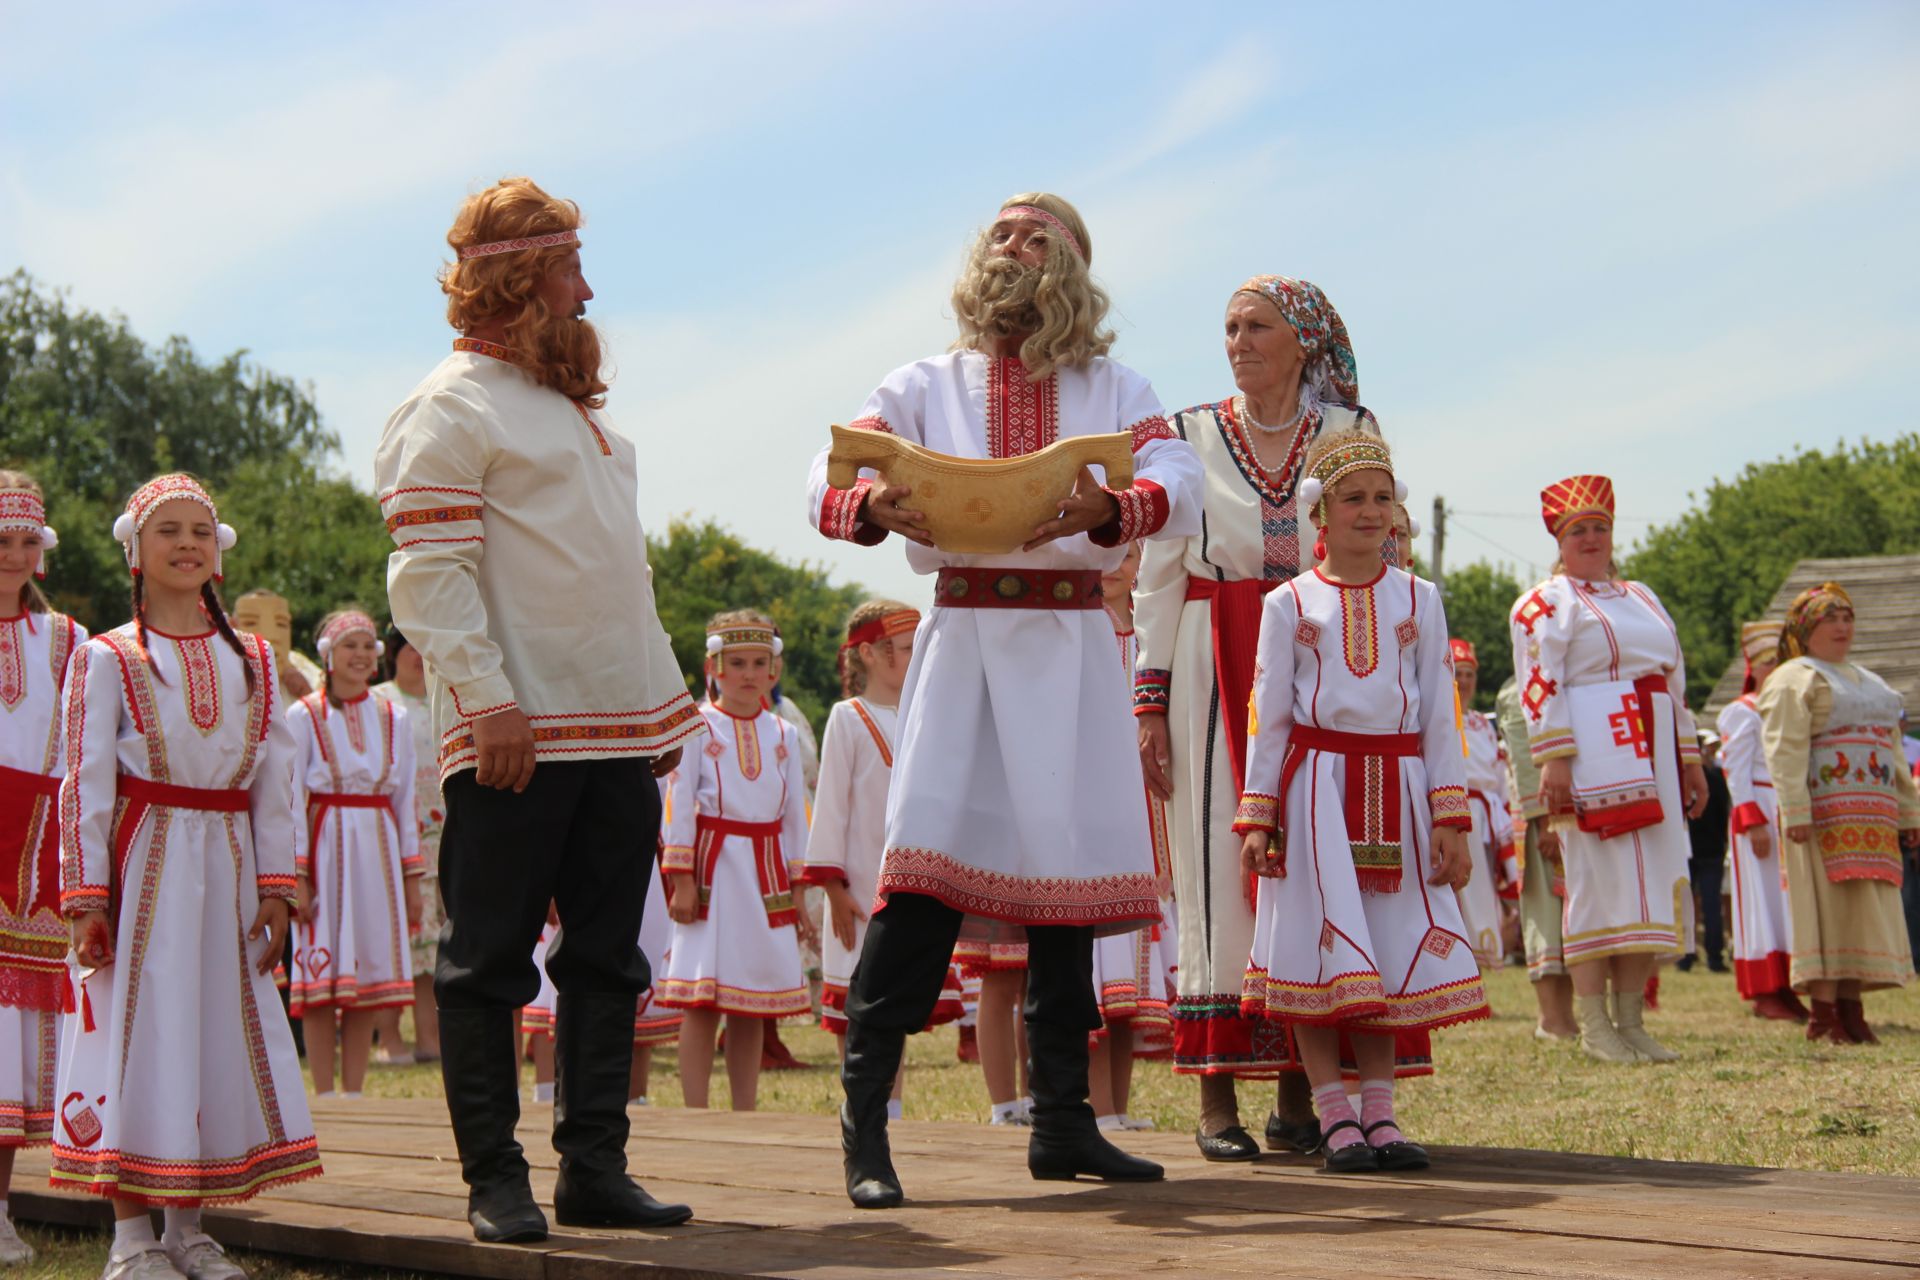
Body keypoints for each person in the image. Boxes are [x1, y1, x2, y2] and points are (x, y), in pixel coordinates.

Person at [807, 193, 1199, 1207]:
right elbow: (833, 465)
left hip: (1072, 643)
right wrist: (865, 503)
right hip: (964, 637)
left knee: (1067, 882)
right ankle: (864, 1123)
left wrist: (1120, 506)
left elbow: (1180, 474)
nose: (1012, 250)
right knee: (923, 876)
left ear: (1072, 266)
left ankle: (1063, 1118)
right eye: (1000, 236)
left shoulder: (1115, 385)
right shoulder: (921, 381)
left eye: (1037, 237)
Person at [376, 177, 702, 1242]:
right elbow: (429, 575)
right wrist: (488, 698)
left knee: (610, 956)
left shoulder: (568, 411)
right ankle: (494, 1178)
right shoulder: (450, 403)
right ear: (523, 275)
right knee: (489, 961)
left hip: (613, 730)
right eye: (569, 270)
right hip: (518, 729)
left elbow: (618, 578)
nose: (587, 290)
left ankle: (593, 1168)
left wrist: (658, 717)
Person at [1132, 274, 1393, 1162]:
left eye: (1258, 327)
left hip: (1323, 653)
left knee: (1312, 862)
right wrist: (1151, 699)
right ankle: (1214, 1104)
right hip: (1215, 651)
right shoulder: (1186, 435)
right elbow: (1160, 571)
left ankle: (1300, 1095)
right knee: (1212, 860)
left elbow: (1381, 546)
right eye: (1230, 326)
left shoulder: (1349, 433)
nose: (1239, 341)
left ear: (1305, 341)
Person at [56, 473, 319, 1280]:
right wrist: (85, 897)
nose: (186, 544)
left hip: (230, 864)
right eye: (167, 530)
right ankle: (131, 1237)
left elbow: (277, 782)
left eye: (200, 530)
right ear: (136, 550)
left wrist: (279, 886)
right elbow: (85, 780)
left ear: (220, 555)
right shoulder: (108, 656)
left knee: (209, 1032)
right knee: (138, 1035)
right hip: (145, 862)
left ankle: (189, 1228)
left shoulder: (259, 666)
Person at [1233, 430, 1484, 1174]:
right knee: (1315, 946)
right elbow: (1267, 712)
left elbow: (1442, 711)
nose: (1371, 512)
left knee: (1388, 942)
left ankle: (1382, 1111)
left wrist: (1450, 815)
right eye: (1353, 499)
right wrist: (1259, 811)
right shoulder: (1289, 603)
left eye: (1382, 498)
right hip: (1316, 791)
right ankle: (1333, 1115)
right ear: (1321, 512)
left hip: (1399, 789)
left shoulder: (1420, 598)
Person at [1509, 476, 1707, 1064]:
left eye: (1600, 529)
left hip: (1654, 745)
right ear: (1560, 539)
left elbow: (1676, 682)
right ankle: (1593, 1025)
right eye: (1579, 531)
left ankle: (1631, 1020)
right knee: (1597, 882)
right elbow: (1538, 686)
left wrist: (1690, 761)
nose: (1591, 539)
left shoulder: (1643, 596)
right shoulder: (1545, 602)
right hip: (1590, 749)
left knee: (1652, 880)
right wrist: (1556, 757)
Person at [803, 600, 962, 1120]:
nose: (916, 656)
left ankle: (890, 1111)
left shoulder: (928, 715)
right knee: (854, 1002)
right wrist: (833, 889)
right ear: (869, 652)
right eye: (905, 647)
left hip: (907, 889)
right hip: (855, 889)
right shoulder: (846, 719)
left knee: (893, 999)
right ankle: (862, 1112)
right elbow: (829, 806)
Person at [658, 613, 813, 1109]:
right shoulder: (698, 725)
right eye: (738, 663)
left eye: (760, 663)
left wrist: (800, 886)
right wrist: (681, 877)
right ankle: (695, 1109)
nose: (749, 673)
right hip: (715, 870)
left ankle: (745, 1109)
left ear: (775, 668)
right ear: (714, 667)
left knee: (752, 1000)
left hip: (767, 870)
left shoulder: (784, 734)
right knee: (703, 1000)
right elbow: (679, 802)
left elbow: (794, 814)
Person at [1756, 583, 1918, 1043]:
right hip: (1823, 818)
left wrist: (1910, 813)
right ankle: (1823, 1015)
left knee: (1862, 914)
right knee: (1824, 912)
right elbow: (1784, 749)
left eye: (1847, 617)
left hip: (1872, 820)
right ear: (1807, 630)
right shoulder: (1794, 678)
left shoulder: (1873, 684)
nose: (1842, 626)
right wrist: (1795, 809)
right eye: (1831, 618)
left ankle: (1852, 1009)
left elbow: (1892, 753)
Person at [287, 610, 425, 1098]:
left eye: (369, 646)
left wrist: (412, 880)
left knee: (366, 977)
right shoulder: (303, 716)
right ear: (327, 655)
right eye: (350, 646)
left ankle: (354, 1091)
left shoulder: (395, 718)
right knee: (323, 982)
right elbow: (288, 799)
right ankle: (323, 1092)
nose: (362, 655)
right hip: (325, 848)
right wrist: (297, 874)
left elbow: (405, 799)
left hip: (379, 851)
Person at [0, 472, 80, 1266]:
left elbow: (88, 747)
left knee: (14, 1032)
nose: (16, 556)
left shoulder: (67, 641)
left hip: (33, 845)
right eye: (1, 542)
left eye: (28, 542)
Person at [1093, 544, 1172, 1131]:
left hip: (1142, 823)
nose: (1119, 564)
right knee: (1097, 982)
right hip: (1094, 825)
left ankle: (1117, 1108)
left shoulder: (1151, 633)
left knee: (1127, 991)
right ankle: (1093, 1109)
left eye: (1128, 553)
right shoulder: (1077, 631)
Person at [1717, 621, 1802, 1021]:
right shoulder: (1741, 711)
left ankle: (1788, 983)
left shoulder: (1788, 708)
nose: (1775, 669)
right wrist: (1752, 820)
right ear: (1755, 667)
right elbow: (1734, 770)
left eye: (1781, 661)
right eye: (1769, 662)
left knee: (1787, 901)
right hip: (1758, 809)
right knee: (1760, 899)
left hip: (1786, 806)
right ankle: (1764, 988)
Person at [371, 626, 447, 1061]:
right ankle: (390, 1038)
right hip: (394, 832)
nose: (418, 655)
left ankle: (431, 1037)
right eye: (409, 646)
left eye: (425, 645)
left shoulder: (446, 697)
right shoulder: (379, 700)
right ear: (394, 652)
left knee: (437, 940)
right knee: (396, 936)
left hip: (445, 832)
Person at [1494, 674, 1576, 1037]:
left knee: (1566, 916)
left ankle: (1566, 1015)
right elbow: (1525, 762)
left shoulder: (1550, 683)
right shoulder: (1518, 693)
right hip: (1539, 818)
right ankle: (1551, 1017)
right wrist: (1543, 820)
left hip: (1565, 816)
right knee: (1545, 913)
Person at [1453, 639, 1518, 967]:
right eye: (1458, 674)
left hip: (1487, 814)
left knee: (1485, 884)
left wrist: (1504, 816)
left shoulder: (1482, 724)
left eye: (1469, 675)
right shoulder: (1436, 716)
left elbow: (1497, 773)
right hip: (1456, 810)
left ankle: (1484, 957)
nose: (1464, 682)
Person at [1678, 732, 1730, 974]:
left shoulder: (1680, 780)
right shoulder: (1716, 778)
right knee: (1711, 905)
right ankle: (1714, 957)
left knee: (1689, 905)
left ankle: (1687, 956)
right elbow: (1723, 813)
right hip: (1710, 849)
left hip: (1690, 850)